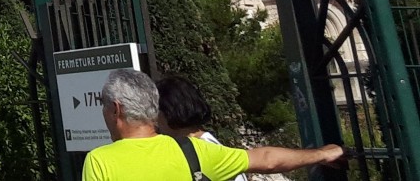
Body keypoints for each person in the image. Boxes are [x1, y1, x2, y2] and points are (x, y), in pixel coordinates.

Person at [84, 68, 343, 179]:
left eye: (104, 106)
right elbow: (267, 159)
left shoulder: (100, 161)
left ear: (116, 109)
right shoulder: (193, 150)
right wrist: (322, 153)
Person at [156, 72, 346, 177]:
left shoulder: (199, 148)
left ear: (168, 111)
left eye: (155, 111)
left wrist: (321, 154)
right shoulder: (201, 145)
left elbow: (268, 160)